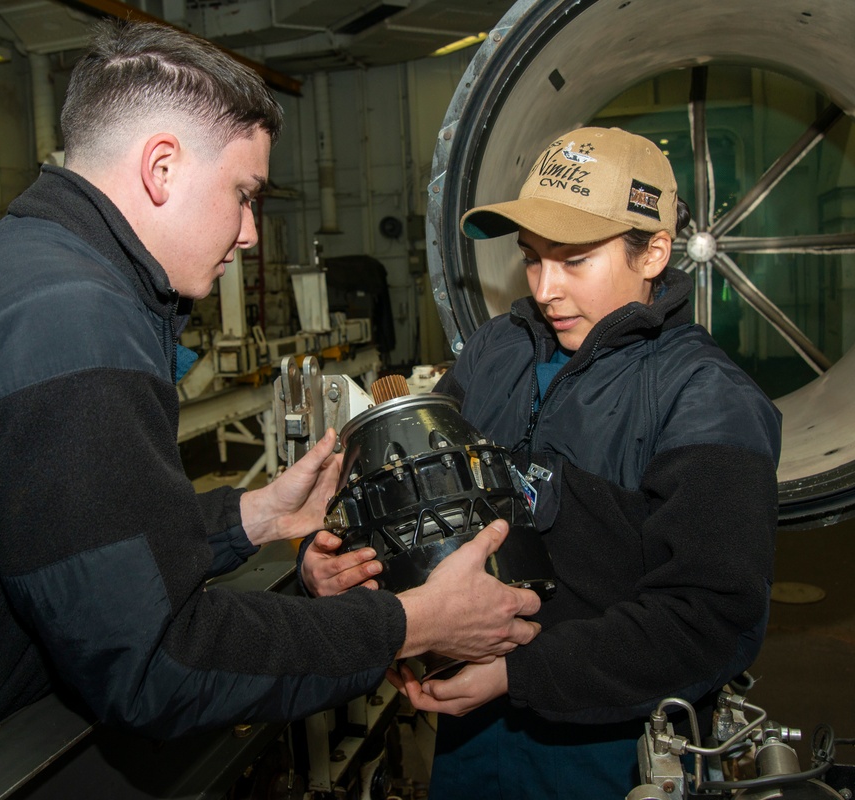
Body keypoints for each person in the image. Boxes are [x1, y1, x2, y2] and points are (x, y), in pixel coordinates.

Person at [0, 20, 543, 798]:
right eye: (245, 195)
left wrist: (249, 518)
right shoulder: (70, 322)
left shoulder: (24, 270)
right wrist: (414, 621)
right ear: (161, 167)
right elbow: (156, 663)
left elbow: (77, 543)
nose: (252, 234)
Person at [302, 127, 782, 797]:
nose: (545, 288)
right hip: (471, 741)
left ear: (655, 253)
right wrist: (341, 569)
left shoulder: (709, 402)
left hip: (611, 753)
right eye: (532, 258)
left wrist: (516, 674)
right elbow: (421, 510)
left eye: (575, 260)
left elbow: (709, 621)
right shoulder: (498, 350)